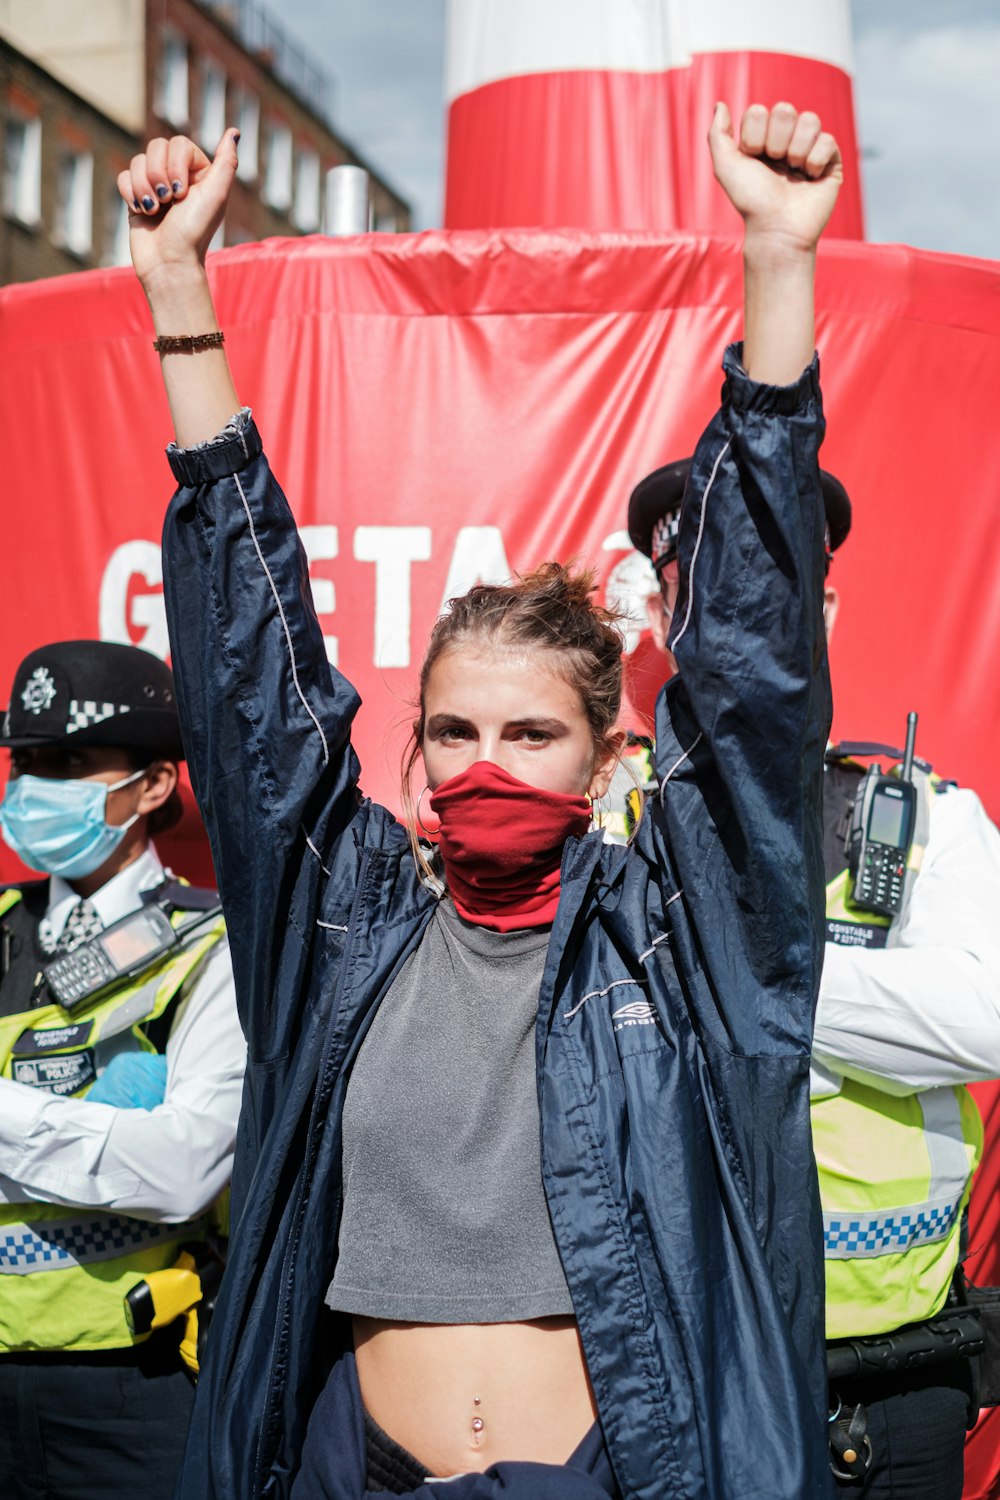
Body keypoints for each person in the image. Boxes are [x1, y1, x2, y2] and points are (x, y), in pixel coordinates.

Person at [118, 100, 842, 1499]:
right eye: (453, 728)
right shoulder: (343, 930)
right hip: (350, 1466)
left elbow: (750, 682)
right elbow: (256, 692)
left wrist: (778, 264)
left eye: (531, 730)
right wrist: (175, 288)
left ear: (608, 750)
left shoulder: (684, 942)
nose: (487, 761)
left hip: (613, 1471)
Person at [627, 459, 1000, 1498]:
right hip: (682, 1377)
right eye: (701, 593)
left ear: (823, 607)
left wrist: (746, 980)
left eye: (771, 590)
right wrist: (855, 1014)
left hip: (891, 1391)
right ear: (665, 618)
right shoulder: (614, 826)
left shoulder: (923, 813)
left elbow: (985, 1018)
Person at [0, 640, 245, 1500]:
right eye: (24, 764)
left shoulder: (211, 944)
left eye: (68, 762)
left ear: (152, 785)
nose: (31, 788)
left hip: (133, 1387)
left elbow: (181, 1169)